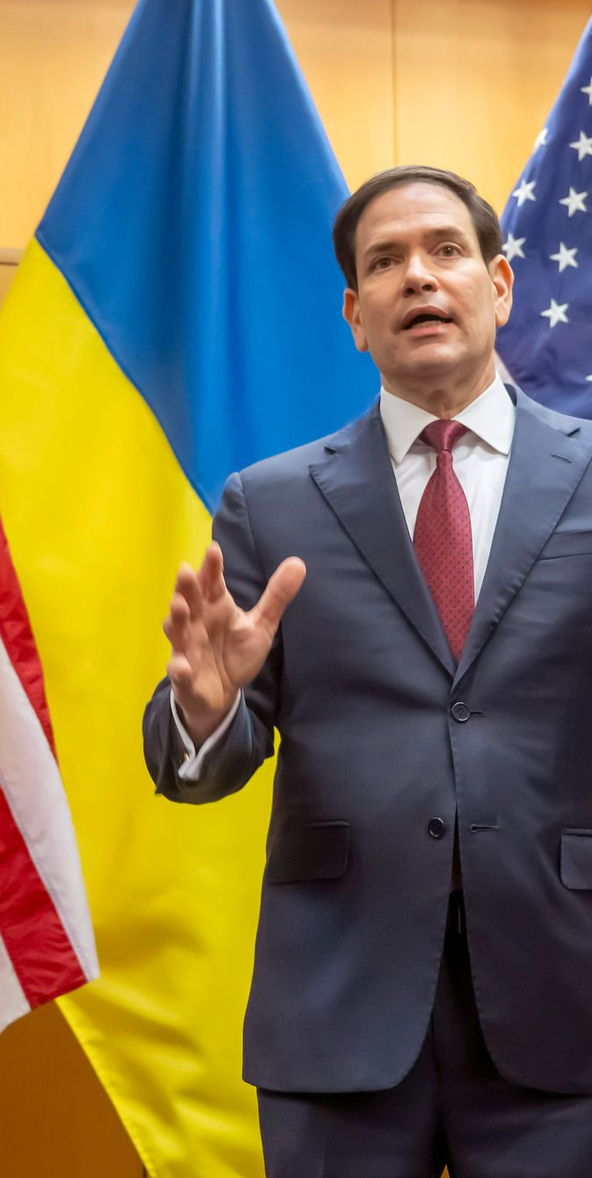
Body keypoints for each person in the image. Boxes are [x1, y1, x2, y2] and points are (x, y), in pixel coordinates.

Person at [143, 165, 592, 1176]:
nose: (417, 277)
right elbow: (198, 769)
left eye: (445, 250)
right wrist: (206, 713)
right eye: (384, 263)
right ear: (354, 315)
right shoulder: (269, 502)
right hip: (339, 1005)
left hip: (566, 993)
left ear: (500, 286)